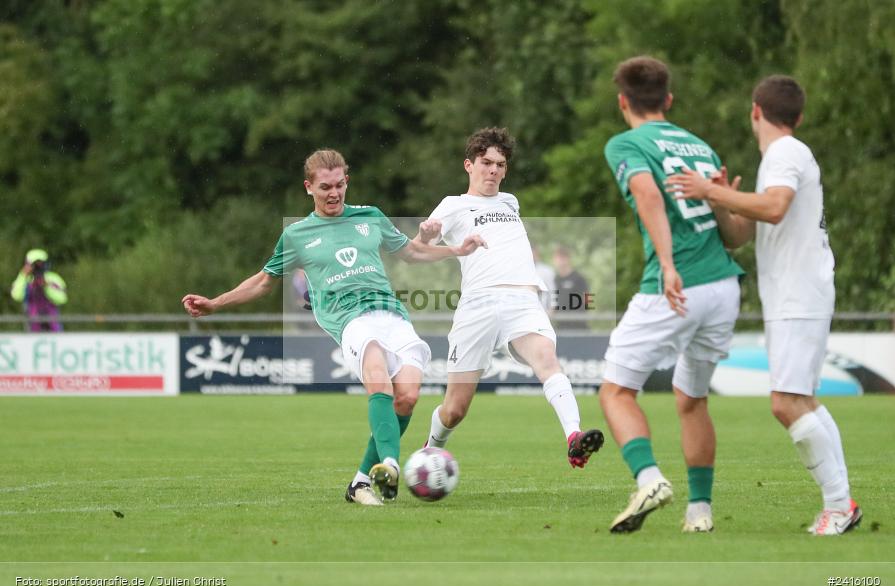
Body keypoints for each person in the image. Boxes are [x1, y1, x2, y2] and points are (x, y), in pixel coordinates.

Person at [182, 149, 485, 506]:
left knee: (407, 397)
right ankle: (389, 464)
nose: (334, 193)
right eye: (325, 186)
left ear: (347, 182)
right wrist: (216, 303)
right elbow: (263, 282)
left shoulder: (370, 217)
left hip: (393, 315)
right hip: (350, 320)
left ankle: (360, 482)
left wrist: (458, 251)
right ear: (308, 187)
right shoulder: (297, 235)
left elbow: (412, 252)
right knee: (377, 372)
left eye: (339, 185)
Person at [665, 75, 861, 535]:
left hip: (798, 293)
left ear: (756, 111)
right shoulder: (781, 157)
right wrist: (721, 202)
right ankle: (842, 502)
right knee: (802, 400)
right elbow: (741, 234)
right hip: (795, 293)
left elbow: (774, 207)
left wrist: (709, 191)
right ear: (799, 114)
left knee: (785, 403)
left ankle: (839, 506)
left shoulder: (784, 153)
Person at [600, 56, 744, 533]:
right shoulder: (699, 146)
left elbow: (647, 195)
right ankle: (700, 513)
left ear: (623, 101)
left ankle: (649, 479)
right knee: (691, 398)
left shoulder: (627, 142)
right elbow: (736, 234)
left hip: (678, 287)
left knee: (616, 390)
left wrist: (666, 263)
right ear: (668, 100)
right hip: (724, 286)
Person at [418, 127, 604, 468]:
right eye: (486, 162)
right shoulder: (453, 205)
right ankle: (429, 450)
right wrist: (426, 235)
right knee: (455, 409)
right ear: (468, 165)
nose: (493, 170)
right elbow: (419, 251)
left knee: (547, 358)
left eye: (500, 164)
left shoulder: (510, 202)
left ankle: (574, 438)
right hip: (478, 305)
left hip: (522, 301)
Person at [10, 249, 68, 332]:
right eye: (35, 264)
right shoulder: (24, 279)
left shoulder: (53, 278)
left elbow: (62, 299)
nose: (38, 267)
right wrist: (23, 275)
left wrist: (46, 287)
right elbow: (17, 296)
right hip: (32, 324)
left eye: (40, 264)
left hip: (53, 324)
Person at [552, 245, 590, 330]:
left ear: (568, 258)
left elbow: (588, 298)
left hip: (578, 325)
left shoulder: (579, 278)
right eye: (557, 258)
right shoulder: (555, 279)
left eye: (562, 257)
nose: (560, 261)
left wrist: (582, 314)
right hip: (561, 325)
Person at [531, 244, 556, 312]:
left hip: (543, 309)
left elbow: (552, 289)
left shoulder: (547, 270)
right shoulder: (520, 271)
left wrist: (553, 307)